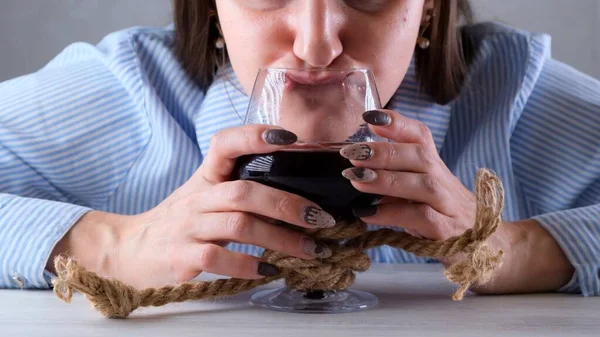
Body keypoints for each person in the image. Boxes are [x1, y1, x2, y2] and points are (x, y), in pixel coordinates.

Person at [0, 0, 598, 297]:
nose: (316, 46)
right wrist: (109, 244)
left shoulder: (513, 90)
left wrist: (514, 249)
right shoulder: (130, 88)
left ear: (429, 9)